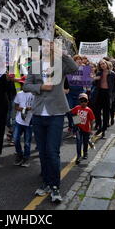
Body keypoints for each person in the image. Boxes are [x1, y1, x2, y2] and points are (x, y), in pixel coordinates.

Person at [23, 41, 78, 204]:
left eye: (51, 45)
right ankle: (46, 182)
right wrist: (40, 87)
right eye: (45, 46)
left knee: (53, 152)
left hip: (56, 113)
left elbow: (74, 68)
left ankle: (55, 187)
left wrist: (62, 53)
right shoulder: (35, 65)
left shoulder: (61, 64)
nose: (48, 48)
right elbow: (26, 86)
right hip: (39, 113)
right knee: (43, 152)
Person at [92, 60, 115, 139]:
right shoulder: (99, 73)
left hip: (108, 94)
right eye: (100, 64)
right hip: (99, 93)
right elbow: (94, 84)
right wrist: (95, 79)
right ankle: (99, 126)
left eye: (103, 63)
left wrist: (112, 97)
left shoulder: (113, 74)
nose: (102, 65)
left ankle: (103, 129)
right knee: (97, 111)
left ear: (106, 64)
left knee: (106, 112)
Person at [13, 76, 34, 167]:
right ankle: (19, 154)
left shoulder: (33, 95)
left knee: (27, 142)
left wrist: (30, 108)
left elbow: (36, 106)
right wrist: (20, 109)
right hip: (19, 120)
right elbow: (16, 106)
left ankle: (26, 158)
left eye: (24, 84)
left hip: (29, 121)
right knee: (16, 139)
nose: (23, 85)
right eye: (22, 84)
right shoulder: (19, 94)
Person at [70, 93, 95, 164]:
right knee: (78, 142)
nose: (83, 103)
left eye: (85, 101)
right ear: (79, 102)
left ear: (87, 102)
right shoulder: (77, 108)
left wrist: (91, 129)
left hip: (86, 129)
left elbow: (92, 120)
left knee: (85, 142)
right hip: (79, 129)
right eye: (81, 101)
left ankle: (85, 152)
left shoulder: (89, 110)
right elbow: (71, 112)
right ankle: (78, 156)